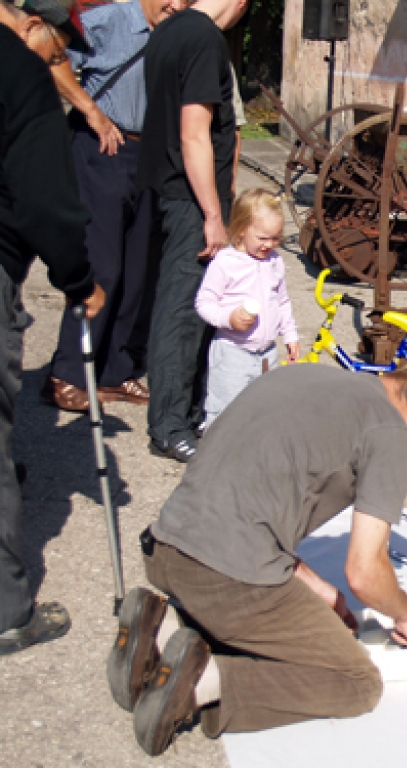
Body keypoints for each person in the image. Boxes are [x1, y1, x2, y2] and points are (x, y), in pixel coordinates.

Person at [105, 357, 407, 756]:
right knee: (357, 681)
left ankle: (164, 627)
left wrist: (318, 588)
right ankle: (201, 681)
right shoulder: (391, 431)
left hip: (167, 548)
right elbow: (365, 572)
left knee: (259, 593)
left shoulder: (305, 374)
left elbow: (250, 502)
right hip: (220, 576)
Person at [0, 0, 105, 655]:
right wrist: (77, 279)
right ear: (25, 19)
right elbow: (47, 199)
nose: (58, 60)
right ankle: (8, 610)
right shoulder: (18, 71)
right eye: (59, 46)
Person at [41, 0, 182, 413]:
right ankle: (65, 374)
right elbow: (49, 56)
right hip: (104, 147)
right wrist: (91, 111)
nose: (176, 4)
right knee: (102, 265)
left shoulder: (175, 29)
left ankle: (113, 373)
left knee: (138, 269)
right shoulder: (110, 20)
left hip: (147, 154)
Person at [137, 0, 248, 463]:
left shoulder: (166, 31)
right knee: (182, 313)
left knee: (184, 308)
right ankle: (168, 426)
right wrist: (212, 214)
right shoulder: (202, 37)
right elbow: (194, 133)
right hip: (190, 197)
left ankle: (189, 411)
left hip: (168, 189)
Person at [195, 189, 299, 425]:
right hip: (233, 352)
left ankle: (252, 456)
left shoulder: (275, 262)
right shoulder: (225, 262)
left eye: (275, 238)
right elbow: (204, 302)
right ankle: (219, 456)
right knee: (225, 411)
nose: (269, 244)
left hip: (266, 353)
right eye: (262, 238)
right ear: (241, 229)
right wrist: (228, 318)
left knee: (262, 411)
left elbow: (282, 301)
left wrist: (290, 335)